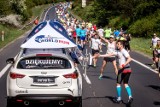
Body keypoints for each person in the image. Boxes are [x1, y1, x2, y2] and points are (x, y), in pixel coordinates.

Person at [96, 40, 133, 105]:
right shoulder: (118, 51)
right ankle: (130, 97)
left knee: (118, 84)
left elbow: (130, 59)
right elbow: (109, 54)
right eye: (117, 44)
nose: (117, 45)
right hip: (128, 70)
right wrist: (100, 56)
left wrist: (123, 65)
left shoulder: (124, 51)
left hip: (123, 69)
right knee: (126, 84)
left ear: (121, 45)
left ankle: (119, 98)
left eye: (118, 44)